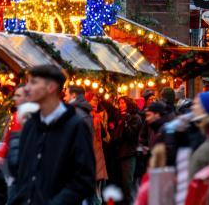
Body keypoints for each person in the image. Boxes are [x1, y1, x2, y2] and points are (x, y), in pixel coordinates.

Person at [8, 64, 94, 205]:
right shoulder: (30, 125)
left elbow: (83, 180)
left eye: (33, 82)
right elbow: (23, 175)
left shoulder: (75, 127)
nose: (27, 88)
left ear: (51, 87)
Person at [113, 96, 143, 204]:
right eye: (119, 103)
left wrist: (125, 122)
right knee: (122, 183)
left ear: (128, 104)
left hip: (129, 153)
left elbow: (131, 135)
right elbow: (116, 136)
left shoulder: (135, 117)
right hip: (120, 153)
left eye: (123, 103)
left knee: (128, 184)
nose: (120, 105)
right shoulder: (121, 117)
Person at [88, 93, 109, 189]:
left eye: (97, 100)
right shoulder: (91, 117)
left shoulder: (96, 117)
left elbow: (105, 136)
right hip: (92, 156)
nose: (96, 103)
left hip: (97, 155)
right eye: (94, 100)